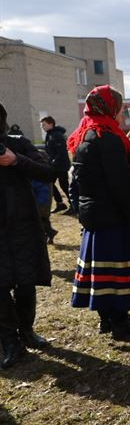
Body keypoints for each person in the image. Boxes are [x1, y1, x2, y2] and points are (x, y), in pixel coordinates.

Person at [68, 86, 130, 338]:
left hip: (94, 216)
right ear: (109, 107)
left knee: (102, 272)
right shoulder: (108, 138)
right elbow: (120, 184)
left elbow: (76, 182)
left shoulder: (84, 133)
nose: (120, 113)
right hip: (112, 216)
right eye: (119, 107)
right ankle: (119, 321)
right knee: (115, 271)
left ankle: (107, 318)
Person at [0, 102, 54, 368]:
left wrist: (16, 160)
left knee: (25, 282)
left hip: (22, 225)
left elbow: (48, 172)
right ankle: (9, 341)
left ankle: (27, 332)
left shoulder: (18, 144)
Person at [40, 116, 73, 213]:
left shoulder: (57, 135)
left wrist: (53, 162)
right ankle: (60, 204)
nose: (42, 127)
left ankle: (73, 205)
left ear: (51, 124)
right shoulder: (49, 134)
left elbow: (61, 151)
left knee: (64, 185)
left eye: (44, 125)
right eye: (42, 125)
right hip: (53, 165)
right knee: (49, 182)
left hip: (61, 165)